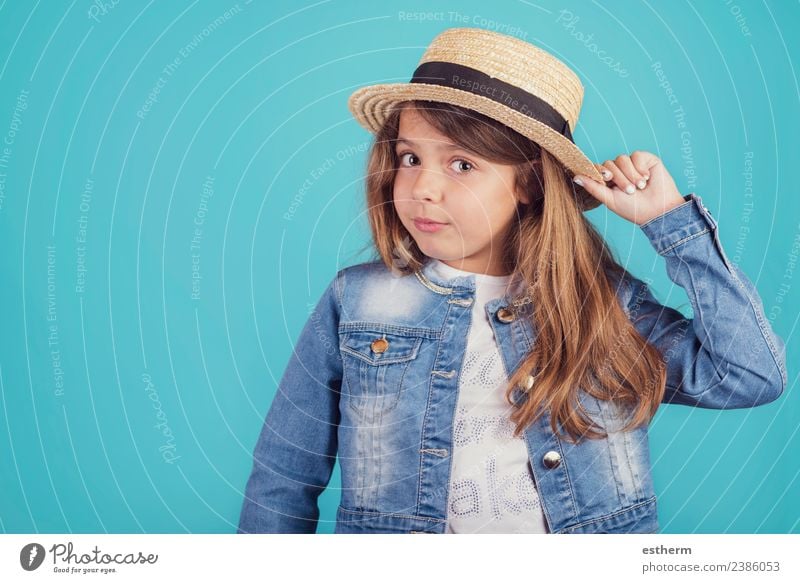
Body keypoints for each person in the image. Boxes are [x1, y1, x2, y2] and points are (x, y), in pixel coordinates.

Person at [237, 27, 787, 534]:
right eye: (409, 157)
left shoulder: (598, 304)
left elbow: (749, 375)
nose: (423, 188)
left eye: (462, 165)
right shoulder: (357, 301)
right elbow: (285, 477)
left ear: (528, 183)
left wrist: (671, 225)